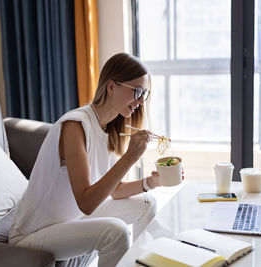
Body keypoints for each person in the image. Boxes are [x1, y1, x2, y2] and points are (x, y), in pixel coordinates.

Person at [9, 53, 160, 267]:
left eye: (144, 94)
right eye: (136, 91)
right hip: (33, 233)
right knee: (116, 232)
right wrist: (130, 157)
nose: (139, 102)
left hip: (72, 219)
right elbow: (87, 203)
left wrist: (150, 183)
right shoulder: (75, 126)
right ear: (111, 87)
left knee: (148, 203)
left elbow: (114, 190)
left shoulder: (111, 129)